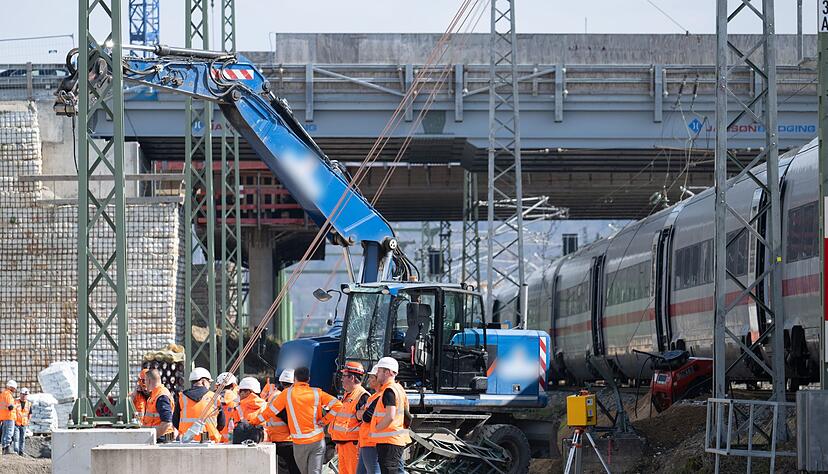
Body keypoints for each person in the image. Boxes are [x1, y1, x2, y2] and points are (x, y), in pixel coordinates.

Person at [259, 366, 341, 474]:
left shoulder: (286, 394)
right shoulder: (317, 393)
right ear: (309, 379)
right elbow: (338, 405)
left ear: (295, 379)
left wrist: (253, 421)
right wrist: (325, 420)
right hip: (317, 441)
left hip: (299, 442)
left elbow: (269, 412)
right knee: (315, 472)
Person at [369, 357, 411, 474]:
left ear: (387, 372)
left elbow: (390, 416)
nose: (377, 374)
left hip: (389, 441)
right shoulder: (398, 389)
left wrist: (376, 428)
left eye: (379, 371)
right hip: (393, 440)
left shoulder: (389, 390)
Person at [255, 369, 300, 474]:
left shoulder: (276, 395)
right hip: (287, 440)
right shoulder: (284, 396)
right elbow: (287, 417)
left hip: (278, 439)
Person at [329, 362, 369, 474]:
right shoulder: (348, 395)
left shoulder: (362, 396)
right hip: (343, 445)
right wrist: (338, 442)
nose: (341, 379)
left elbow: (366, 423)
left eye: (344, 376)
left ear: (352, 378)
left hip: (354, 446)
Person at [173, 367, 225, 442]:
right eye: (209, 382)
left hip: (187, 442)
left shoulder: (182, 397)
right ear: (203, 382)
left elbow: (175, 421)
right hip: (210, 441)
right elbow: (222, 423)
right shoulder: (214, 397)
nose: (210, 386)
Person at [355, 367, 382, 474]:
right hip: (365, 441)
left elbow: (366, 417)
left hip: (372, 443)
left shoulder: (380, 396)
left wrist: (362, 413)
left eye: (371, 377)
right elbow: (359, 416)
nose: (368, 380)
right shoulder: (373, 397)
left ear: (378, 379)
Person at [142, 369, 174, 441]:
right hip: (159, 437)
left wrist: (152, 438)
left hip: (161, 438)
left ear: (149, 381)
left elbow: (166, 422)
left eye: (145, 381)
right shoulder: (156, 395)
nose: (144, 384)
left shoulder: (161, 396)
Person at [216, 372, 240, 443]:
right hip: (232, 439)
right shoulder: (237, 400)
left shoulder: (212, 399)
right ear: (233, 385)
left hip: (214, 438)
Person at [1, 380, 17, 455]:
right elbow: (10, 407)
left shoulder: (2, 394)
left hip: (4, 417)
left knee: (4, 432)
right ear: (11, 387)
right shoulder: (8, 395)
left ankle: (4, 447)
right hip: (9, 416)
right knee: (9, 432)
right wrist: (15, 405)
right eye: (14, 388)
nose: (15, 390)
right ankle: (7, 448)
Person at [12, 388, 29, 456]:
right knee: (16, 438)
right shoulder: (15, 402)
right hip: (16, 423)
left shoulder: (29, 403)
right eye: (23, 394)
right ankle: (16, 451)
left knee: (22, 439)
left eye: (25, 394)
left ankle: (21, 452)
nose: (24, 396)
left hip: (24, 424)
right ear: (20, 394)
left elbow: (30, 413)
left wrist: (28, 421)